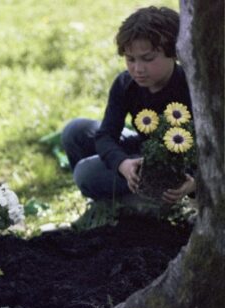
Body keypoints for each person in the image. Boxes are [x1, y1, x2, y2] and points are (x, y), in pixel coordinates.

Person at [60, 6, 194, 204]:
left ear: (174, 53)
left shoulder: (191, 88)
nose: (138, 69)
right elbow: (106, 135)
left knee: (85, 172)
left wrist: (194, 183)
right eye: (130, 59)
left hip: (178, 168)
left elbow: (213, 148)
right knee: (76, 131)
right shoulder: (125, 84)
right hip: (142, 154)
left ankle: (150, 206)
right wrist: (122, 164)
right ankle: (109, 202)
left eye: (148, 59)